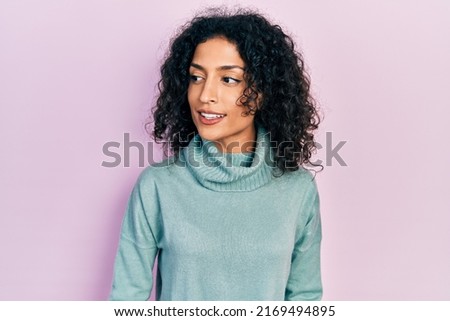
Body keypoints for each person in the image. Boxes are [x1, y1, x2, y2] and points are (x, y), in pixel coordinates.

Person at [109, 7, 322, 301]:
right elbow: (125, 302)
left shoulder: (298, 190)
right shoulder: (157, 187)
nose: (205, 95)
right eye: (196, 77)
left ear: (262, 91)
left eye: (228, 80)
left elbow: (304, 299)